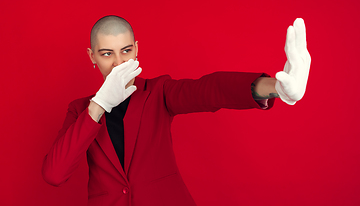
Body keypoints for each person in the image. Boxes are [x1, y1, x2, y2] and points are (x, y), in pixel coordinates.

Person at [42, 15, 311, 206]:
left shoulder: (158, 92)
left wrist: (274, 86)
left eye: (125, 51)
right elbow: (55, 174)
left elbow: (209, 90)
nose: (118, 63)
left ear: (136, 50)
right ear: (91, 56)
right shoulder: (80, 110)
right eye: (106, 54)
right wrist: (98, 105)